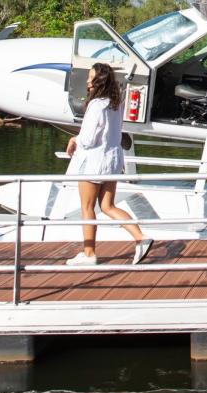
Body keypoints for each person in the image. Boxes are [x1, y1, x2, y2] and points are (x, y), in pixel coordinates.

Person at [65, 62, 152, 266]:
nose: (87, 80)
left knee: (87, 207)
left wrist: (74, 140)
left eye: (90, 77)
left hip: (94, 161)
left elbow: (87, 138)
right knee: (107, 205)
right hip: (112, 160)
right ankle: (140, 237)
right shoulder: (115, 103)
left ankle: (89, 254)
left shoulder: (96, 105)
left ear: (98, 81)